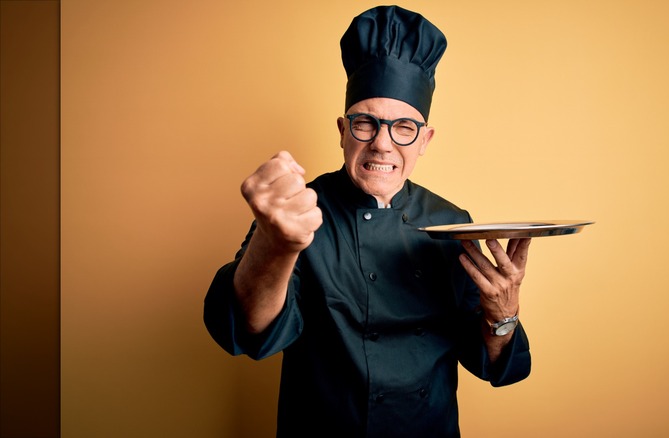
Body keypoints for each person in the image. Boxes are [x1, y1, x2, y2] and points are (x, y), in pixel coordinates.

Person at [204, 5, 533, 437]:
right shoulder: (298, 210)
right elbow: (250, 331)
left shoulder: (453, 223)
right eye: (365, 123)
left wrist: (502, 314)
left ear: (425, 140)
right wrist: (276, 245)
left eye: (403, 128)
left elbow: (490, 363)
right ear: (342, 130)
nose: (382, 144)